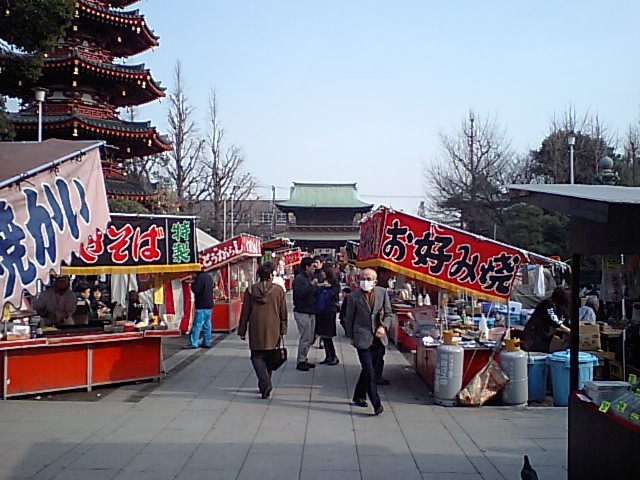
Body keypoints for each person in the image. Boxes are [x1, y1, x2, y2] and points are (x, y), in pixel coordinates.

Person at [344, 268, 392, 415]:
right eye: (363, 278)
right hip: (362, 338)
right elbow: (348, 319)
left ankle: (358, 395)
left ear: (375, 281)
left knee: (368, 370)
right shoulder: (353, 297)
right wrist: (351, 336)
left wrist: (383, 327)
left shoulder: (382, 293)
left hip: (378, 338)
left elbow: (388, 313)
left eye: (368, 279)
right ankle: (376, 404)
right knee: (370, 371)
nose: (365, 281)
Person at [238, 263, 288, 399]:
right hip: (273, 327)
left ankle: (264, 383)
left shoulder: (250, 290)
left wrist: (242, 330)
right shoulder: (278, 290)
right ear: (271, 275)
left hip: (256, 327)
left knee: (257, 356)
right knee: (270, 356)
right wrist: (283, 328)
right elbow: (283, 312)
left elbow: (245, 312)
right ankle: (266, 383)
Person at [521, 286, 571, 352]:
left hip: (547, 336)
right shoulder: (548, 303)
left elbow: (565, 321)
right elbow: (554, 320)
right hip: (535, 335)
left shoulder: (562, 307)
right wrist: (567, 330)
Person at [292, 257, 318, 371]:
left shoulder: (307, 277)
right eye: (313, 266)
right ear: (307, 267)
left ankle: (304, 357)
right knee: (305, 337)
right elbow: (300, 293)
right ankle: (301, 360)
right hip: (302, 311)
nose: (314, 269)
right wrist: (311, 285)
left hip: (310, 311)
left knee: (310, 337)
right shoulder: (299, 279)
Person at [315, 264, 341, 365]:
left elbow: (333, 295)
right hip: (321, 311)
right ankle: (328, 356)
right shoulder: (322, 284)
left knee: (328, 335)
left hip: (329, 312)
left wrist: (327, 288)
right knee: (323, 335)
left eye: (323, 272)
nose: (322, 273)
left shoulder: (335, 285)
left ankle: (333, 356)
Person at [374, 267, 394, 386]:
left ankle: (375, 376)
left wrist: (384, 325)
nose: (389, 276)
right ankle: (375, 377)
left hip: (380, 328)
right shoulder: (379, 289)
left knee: (379, 354)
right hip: (373, 328)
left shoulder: (384, 287)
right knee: (376, 355)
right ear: (382, 273)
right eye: (388, 273)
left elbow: (388, 313)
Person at [185, 270, 214, 349]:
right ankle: (206, 342)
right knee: (207, 324)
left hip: (201, 305)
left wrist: (192, 284)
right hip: (209, 304)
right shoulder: (208, 276)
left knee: (197, 325)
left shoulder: (199, 278)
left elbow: (196, 290)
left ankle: (193, 343)